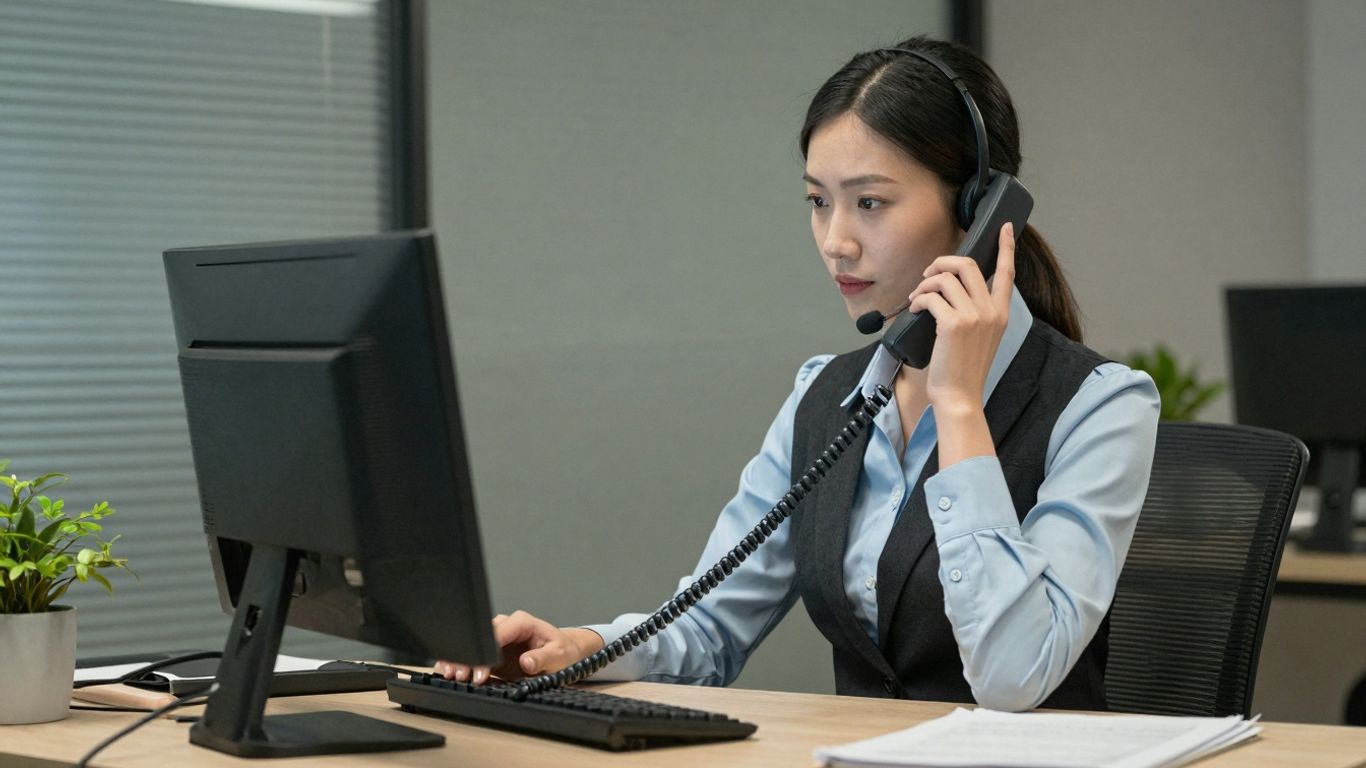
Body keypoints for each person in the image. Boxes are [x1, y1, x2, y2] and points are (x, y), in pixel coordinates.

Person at [434, 35, 1159, 712]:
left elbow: (1014, 677)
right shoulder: (829, 396)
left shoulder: (1100, 407)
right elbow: (712, 627)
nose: (835, 241)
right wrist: (582, 650)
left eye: (870, 203)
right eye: (818, 202)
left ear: (977, 210)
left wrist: (960, 408)